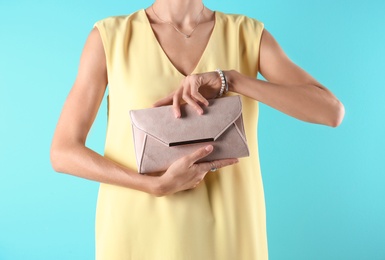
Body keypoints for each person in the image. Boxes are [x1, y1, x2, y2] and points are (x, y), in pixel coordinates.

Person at [50, 0, 345, 259]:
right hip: (137, 237)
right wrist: (154, 185)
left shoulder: (246, 35)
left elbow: (330, 111)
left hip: (229, 238)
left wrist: (232, 80)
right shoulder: (110, 38)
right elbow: (62, 151)